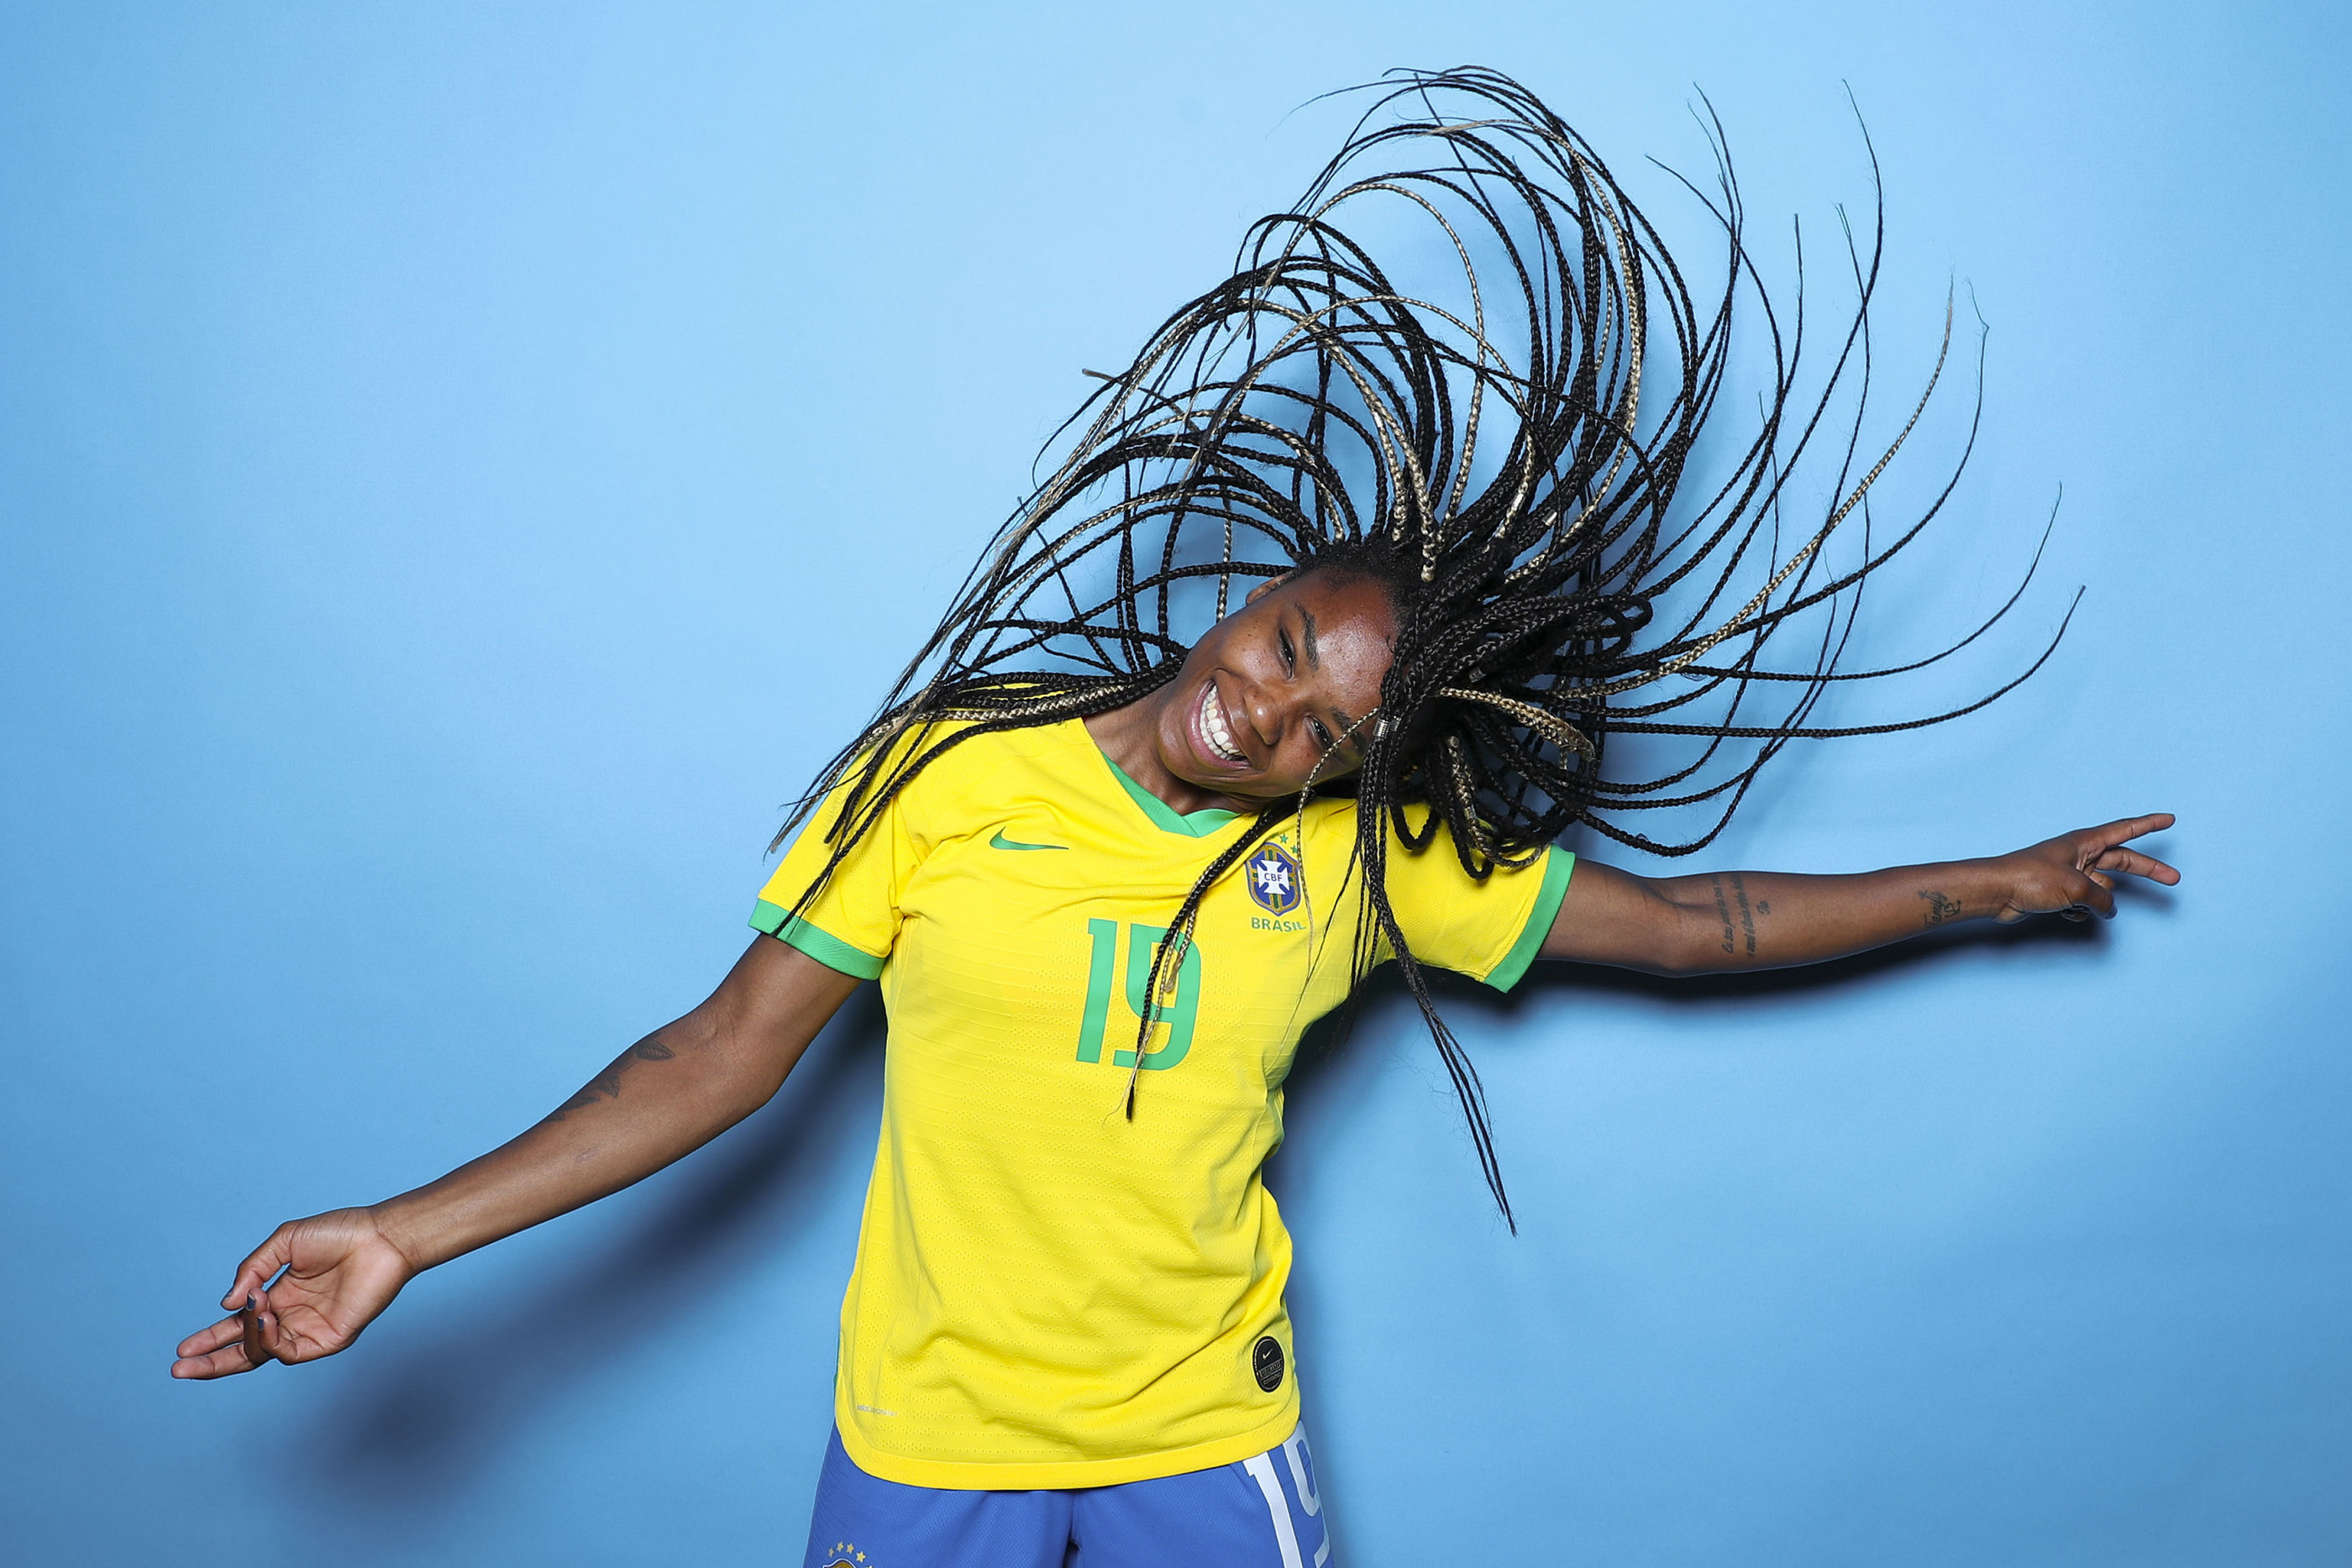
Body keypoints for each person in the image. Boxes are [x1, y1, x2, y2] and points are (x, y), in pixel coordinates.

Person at [171, 70, 2177, 1567]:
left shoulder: (1375, 862)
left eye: (1326, 719)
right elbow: (715, 1056)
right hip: (929, 1433)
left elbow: (1691, 926)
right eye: (1291, 634)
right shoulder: (950, 778)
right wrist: (401, 1236)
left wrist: (1990, 884)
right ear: (1255, 584)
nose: (1270, 700)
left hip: (1198, 1434)